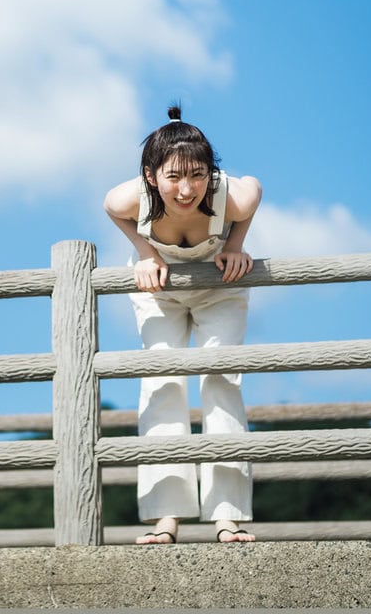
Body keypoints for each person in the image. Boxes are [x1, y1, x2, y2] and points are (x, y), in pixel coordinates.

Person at [103, 104, 262, 545]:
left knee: (221, 379)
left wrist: (236, 243)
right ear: (150, 176)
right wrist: (145, 252)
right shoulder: (129, 198)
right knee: (161, 382)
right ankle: (165, 519)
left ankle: (227, 518)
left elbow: (254, 189)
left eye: (198, 175)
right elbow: (110, 207)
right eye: (174, 176)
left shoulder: (230, 195)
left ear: (211, 173)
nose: (187, 189)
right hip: (159, 290)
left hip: (221, 286)